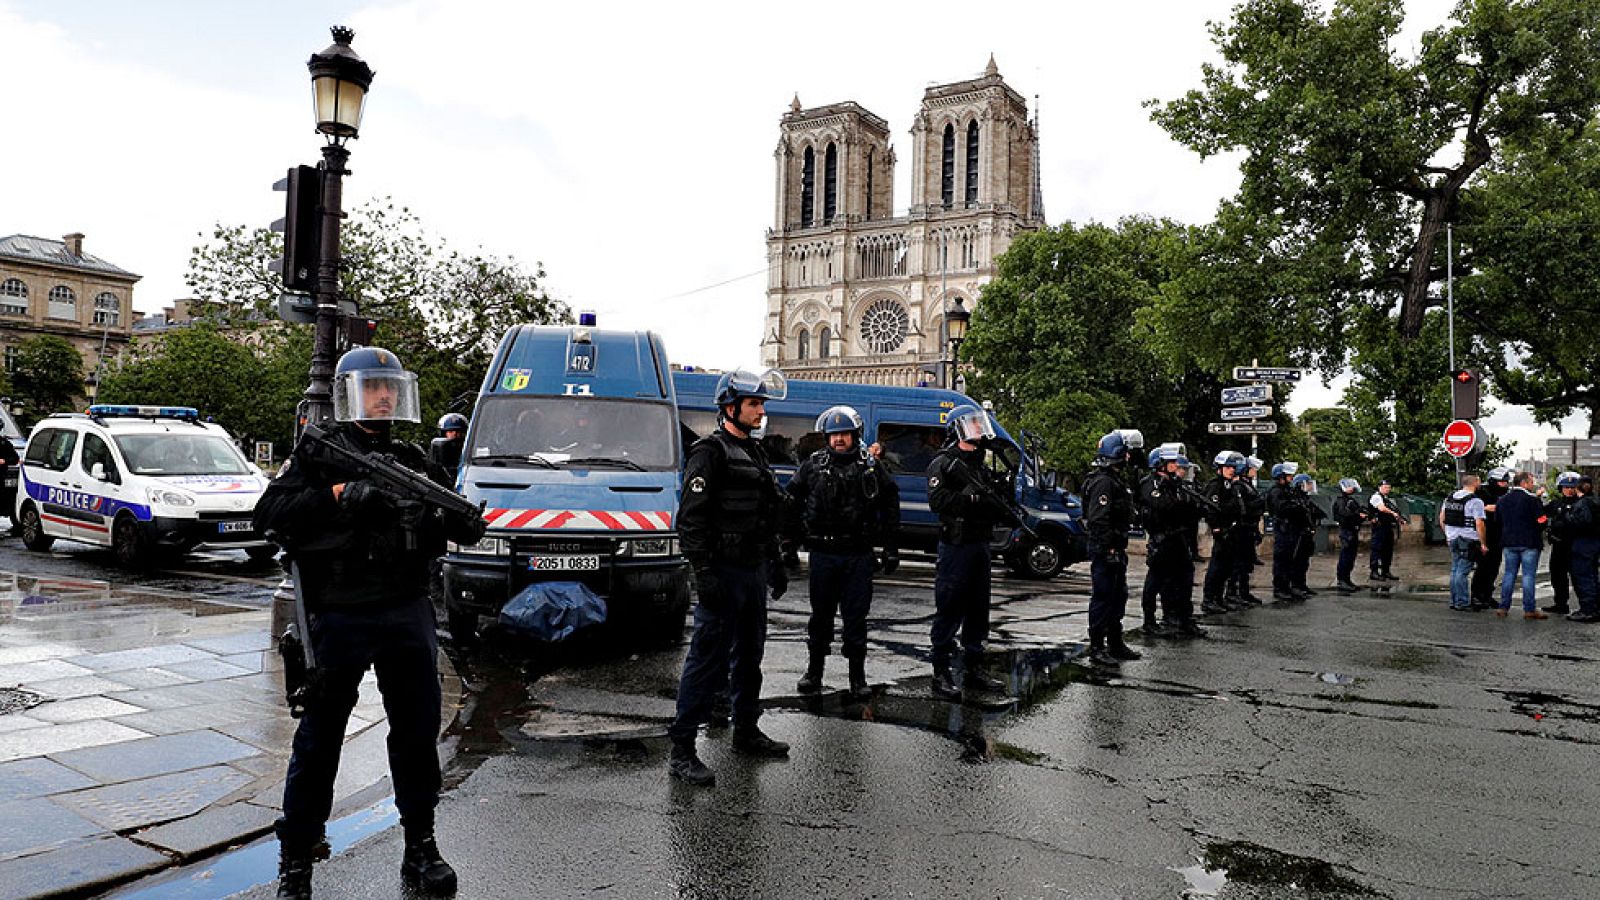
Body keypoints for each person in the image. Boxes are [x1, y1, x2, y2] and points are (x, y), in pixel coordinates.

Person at [255, 347, 481, 900]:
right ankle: (296, 860)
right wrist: (336, 495)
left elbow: (464, 529)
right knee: (320, 737)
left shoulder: (414, 461)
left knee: (415, 732)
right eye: (371, 387)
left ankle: (420, 844)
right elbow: (269, 516)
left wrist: (442, 514)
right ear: (348, 392)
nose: (382, 396)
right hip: (338, 612)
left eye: (389, 387)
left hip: (405, 608)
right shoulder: (320, 455)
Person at [668, 369, 791, 787]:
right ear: (730, 407)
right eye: (755, 404)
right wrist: (703, 572)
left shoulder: (755, 453)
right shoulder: (709, 452)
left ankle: (746, 731)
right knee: (706, 661)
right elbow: (691, 520)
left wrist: (774, 562)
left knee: (750, 656)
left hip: (752, 570)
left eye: (761, 404)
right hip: (722, 570)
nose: (761, 411)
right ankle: (682, 750)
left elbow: (764, 514)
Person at [786, 405, 899, 699]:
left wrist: (890, 548)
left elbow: (890, 505)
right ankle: (814, 671)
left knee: (856, 618)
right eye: (834, 434)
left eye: (844, 434)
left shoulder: (871, 466)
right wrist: (789, 542)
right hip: (823, 552)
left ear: (855, 435)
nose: (839, 439)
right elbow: (791, 501)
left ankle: (857, 676)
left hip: (858, 554)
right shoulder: (812, 465)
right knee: (820, 617)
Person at [926, 404, 1017, 698]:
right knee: (950, 607)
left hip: (980, 544)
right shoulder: (943, 463)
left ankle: (974, 668)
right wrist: (972, 499)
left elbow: (996, 503)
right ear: (957, 429)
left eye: (980, 426)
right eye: (972, 426)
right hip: (955, 545)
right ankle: (941, 672)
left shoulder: (981, 466)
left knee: (978, 609)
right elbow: (939, 501)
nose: (978, 432)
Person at [1081, 429, 1145, 666]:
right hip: (1105, 549)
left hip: (1116, 547)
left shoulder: (1117, 480)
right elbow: (1098, 519)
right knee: (1103, 596)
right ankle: (1097, 647)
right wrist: (1108, 548)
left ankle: (1115, 643)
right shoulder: (1103, 482)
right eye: (1126, 453)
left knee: (1119, 596)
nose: (1129, 457)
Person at [1137, 447, 1205, 639]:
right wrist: (1182, 506)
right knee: (1155, 581)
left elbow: (1189, 508)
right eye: (1172, 463)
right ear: (1161, 465)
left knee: (1184, 578)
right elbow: (1164, 506)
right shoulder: (1150, 483)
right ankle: (1149, 622)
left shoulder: (1174, 484)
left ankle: (1183, 619)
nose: (1177, 467)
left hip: (1178, 538)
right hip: (1161, 539)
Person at [1201, 451, 1248, 614]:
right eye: (1228, 467)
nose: (1232, 470)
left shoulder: (1231, 485)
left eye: (1233, 467)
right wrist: (1216, 528)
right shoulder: (1216, 485)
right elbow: (1211, 509)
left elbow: (1238, 507)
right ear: (1220, 468)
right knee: (1216, 567)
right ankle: (1209, 599)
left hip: (1232, 530)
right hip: (1222, 531)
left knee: (1226, 568)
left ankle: (1219, 598)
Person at [1496, 470, 1547, 619]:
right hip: (1529, 542)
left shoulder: (1503, 499)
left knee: (1509, 574)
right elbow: (1542, 520)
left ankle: (1503, 607)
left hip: (1509, 542)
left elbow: (1498, 520)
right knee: (1528, 576)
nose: (1533, 485)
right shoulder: (1532, 500)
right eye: (1531, 482)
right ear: (1524, 483)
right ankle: (1529, 609)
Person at [1439, 475, 1489, 612]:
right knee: (1463, 571)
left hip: (1452, 537)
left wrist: (1448, 534)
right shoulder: (1475, 501)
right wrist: (1483, 543)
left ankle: (1454, 600)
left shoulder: (1449, 498)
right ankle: (1462, 602)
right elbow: (1479, 523)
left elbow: (1441, 518)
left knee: (1455, 569)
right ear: (1476, 483)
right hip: (1468, 539)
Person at [1265, 462, 1311, 602]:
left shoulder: (1287, 490)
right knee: (1282, 560)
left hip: (1291, 530)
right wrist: (1296, 507)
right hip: (1283, 529)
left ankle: (1288, 586)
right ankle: (1280, 588)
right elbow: (1281, 508)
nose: (1291, 477)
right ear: (1281, 476)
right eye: (1289, 475)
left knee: (1290, 559)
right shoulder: (1276, 491)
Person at [1470, 468, 1512, 609]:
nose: (1504, 485)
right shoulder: (1481, 492)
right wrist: (1486, 508)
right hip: (1484, 534)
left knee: (1494, 567)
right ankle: (1476, 595)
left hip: (1498, 535)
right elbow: (1473, 509)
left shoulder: (1505, 494)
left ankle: (1487, 595)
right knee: (1482, 566)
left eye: (1506, 482)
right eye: (1501, 482)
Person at [1544, 472, 1584, 615]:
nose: (1569, 490)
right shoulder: (1555, 504)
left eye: (1572, 487)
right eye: (1566, 487)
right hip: (1558, 546)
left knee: (1579, 577)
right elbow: (1541, 516)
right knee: (1557, 575)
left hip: (1576, 546)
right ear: (1561, 488)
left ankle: (1586, 607)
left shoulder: (1581, 503)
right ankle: (1560, 604)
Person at [1229, 455, 1267, 603]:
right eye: (1252, 469)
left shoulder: (1247, 484)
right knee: (1238, 563)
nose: (1254, 472)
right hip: (1241, 529)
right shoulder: (1239, 486)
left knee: (1246, 563)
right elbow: (1243, 508)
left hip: (1249, 528)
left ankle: (1244, 592)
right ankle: (1234, 592)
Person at [1567, 475, 1600, 623]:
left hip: (1582, 543)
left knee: (1583, 576)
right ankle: (1595, 607)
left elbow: (1582, 522)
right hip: (1595, 542)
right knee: (1593, 576)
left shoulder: (1582, 504)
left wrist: (1568, 517)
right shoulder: (1596, 500)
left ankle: (1587, 610)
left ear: (1577, 488)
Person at [1331, 478, 1368, 592]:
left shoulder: (1350, 500)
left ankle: (1347, 580)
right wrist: (1357, 515)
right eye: (1349, 486)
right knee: (1346, 556)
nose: (1352, 488)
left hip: (1352, 530)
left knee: (1350, 556)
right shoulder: (1341, 500)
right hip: (1346, 530)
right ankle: (1342, 580)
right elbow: (1343, 514)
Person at [1368, 480, 1405, 581]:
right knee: (1377, 549)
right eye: (1385, 487)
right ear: (1380, 487)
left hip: (1387, 526)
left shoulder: (1386, 498)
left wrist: (1399, 518)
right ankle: (1374, 572)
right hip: (1379, 527)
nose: (1387, 489)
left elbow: (1393, 510)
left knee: (1388, 549)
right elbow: (1382, 508)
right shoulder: (1376, 497)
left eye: (1389, 487)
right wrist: (1393, 513)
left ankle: (1386, 571)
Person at [428, 413, 467, 487]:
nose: (455, 434)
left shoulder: (469, 450)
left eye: (458, 432)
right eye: (450, 432)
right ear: (443, 433)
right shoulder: (438, 450)